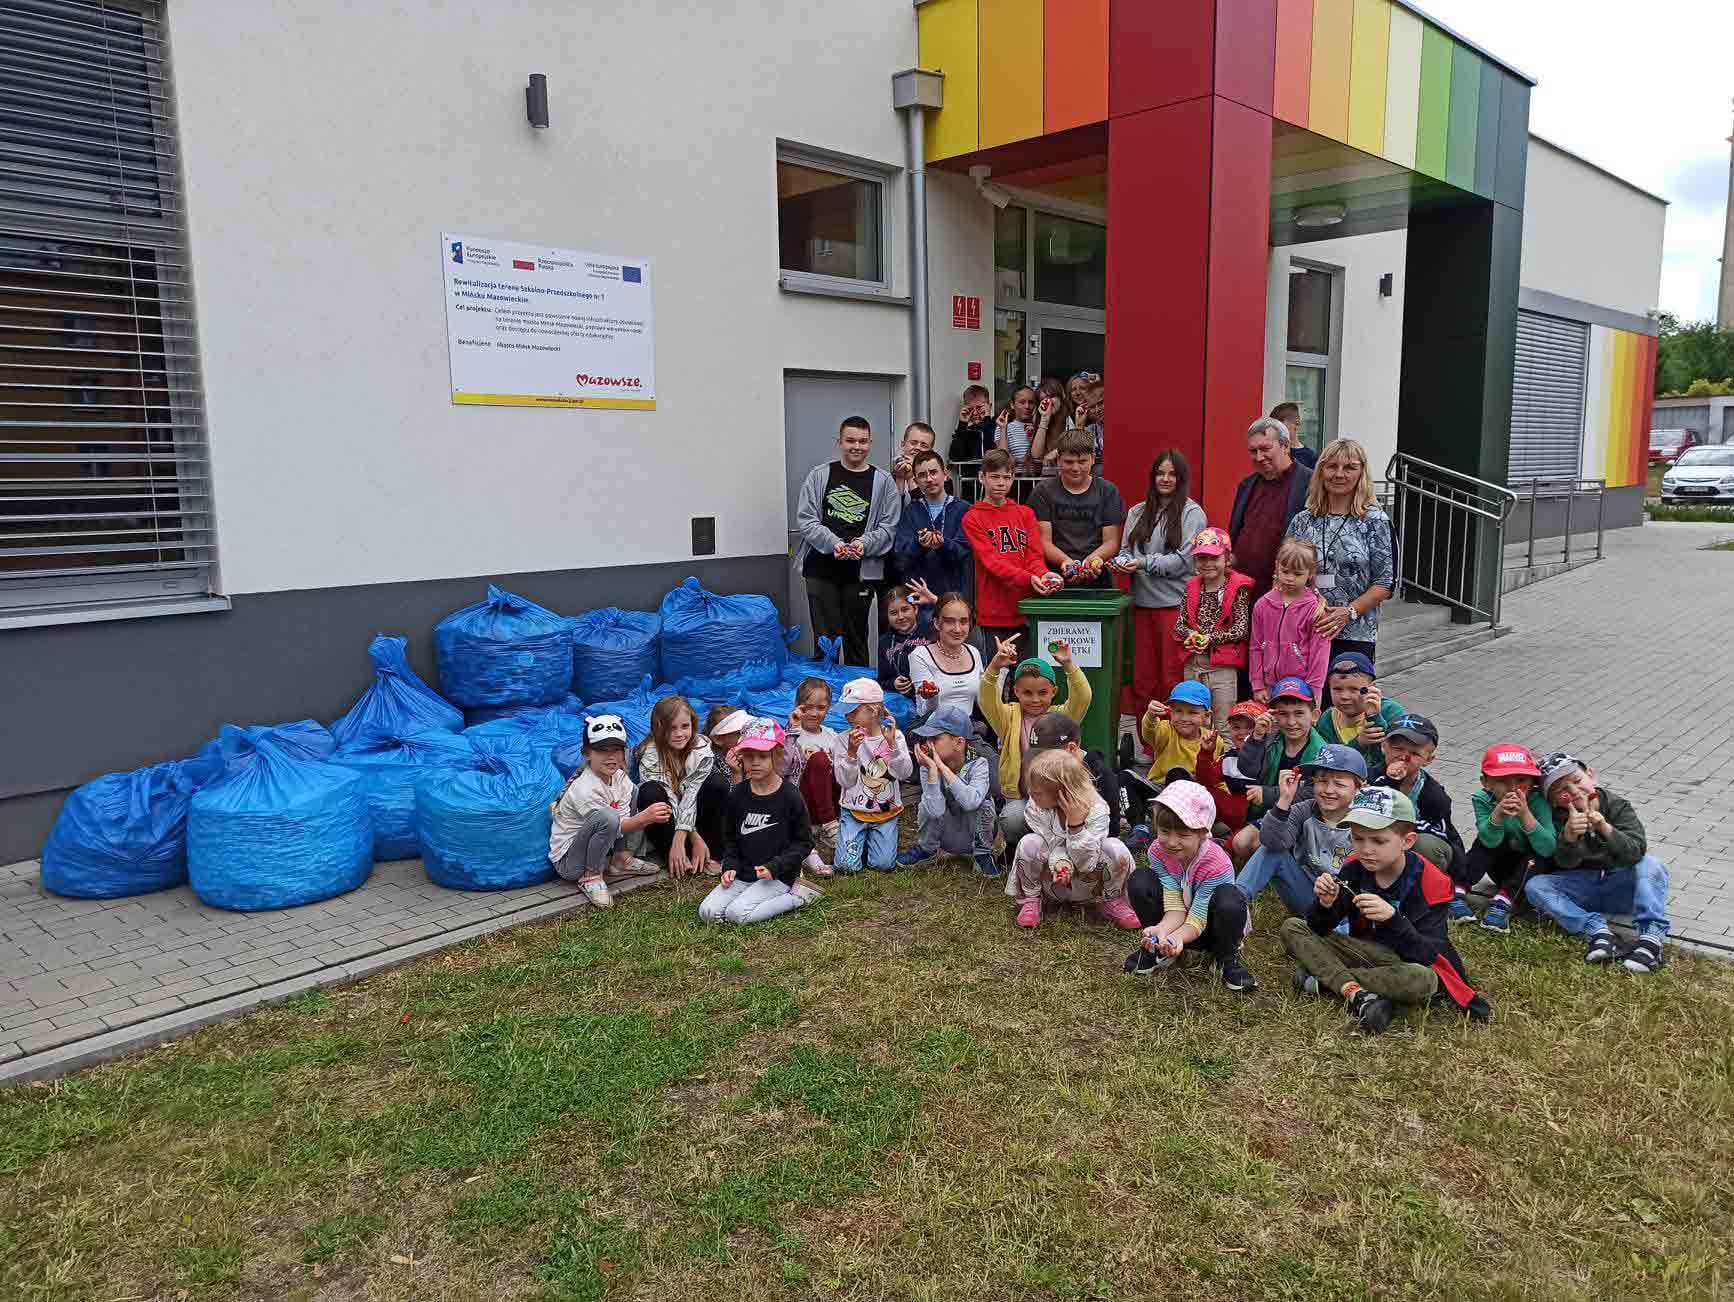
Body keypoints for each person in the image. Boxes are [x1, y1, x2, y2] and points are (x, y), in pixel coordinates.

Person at [1282, 787, 1491, 1033]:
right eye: (1358, 838)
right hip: (1361, 950)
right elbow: (1320, 928)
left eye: (1379, 840)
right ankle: (1358, 994)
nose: (1366, 849)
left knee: (1423, 980)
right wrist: (1325, 904)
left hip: (1402, 962)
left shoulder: (1431, 883)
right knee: (1293, 927)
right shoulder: (1353, 869)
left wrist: (1394, 919)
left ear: (1407, 841)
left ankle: (1326, 980)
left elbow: (1429, 952)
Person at [1526, 753, 1670, 973]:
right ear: (1552, 800)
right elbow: (1564, 864)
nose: (1574, 792)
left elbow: (1635, 852)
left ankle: (1651, 940)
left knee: (1651, 864)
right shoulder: (1556, 817)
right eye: (1563, 791)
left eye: (1577, 781)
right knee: (1536, 886)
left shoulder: (1617, 805)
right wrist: (1569, 838)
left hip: (1621, 887)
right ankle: (1598, 931)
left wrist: (1605, 828)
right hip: (1584, 889)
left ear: (1590, 775)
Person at [1124, 781, 1256, 993]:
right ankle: (1158, 947)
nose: (1171, 842)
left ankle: (1226, 957)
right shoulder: (1157, 851)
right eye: (1165, 831)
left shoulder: (1217, 863)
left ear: (1203, 833)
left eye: (1184, 835)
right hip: (1180, 922)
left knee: (1230, 898)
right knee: (1140, 879)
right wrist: (1163, 931)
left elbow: (1198, 917)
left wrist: (1178, 937)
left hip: (1212, 926)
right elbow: (1174, 904)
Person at [795, 416, 903, 667]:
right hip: (821, 570)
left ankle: (860, 698)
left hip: (860, 573)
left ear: (870, 443)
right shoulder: (819, 475)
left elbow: (889, 527)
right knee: (825, 640)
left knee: (856, 639)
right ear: (839, 443)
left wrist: (865, 543)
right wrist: (834, 543)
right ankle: (821, 700)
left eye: (863, 441)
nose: (857, 446)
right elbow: (807, 520)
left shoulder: (883, 481)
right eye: (851, 440)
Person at [1282, 438, 1395, 665]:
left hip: (1355, 634)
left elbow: (1386, 582)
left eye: (1349, 467)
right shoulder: (1302, 521)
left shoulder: (1375, 521)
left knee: (1346, 699)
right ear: (1321, 471)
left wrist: (1348, 613)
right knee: (1300, 700)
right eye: (1332, 466)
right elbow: (1283, 573)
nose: (1339, 474)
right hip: (1303, 631)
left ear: (1361, 473)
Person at [1111, 449, 1207, 715]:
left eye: (1172, 474)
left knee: (1172, 678)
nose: (1165, 479)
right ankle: (1147, 744)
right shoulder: (1136, 512)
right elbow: (1124, 552)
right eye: (1160, 473)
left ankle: (1173, 742)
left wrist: (1141, 563)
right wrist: (1120, 563)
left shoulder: (1192, 513)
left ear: (1181, 478)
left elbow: (1184, 561)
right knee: (1143, 680)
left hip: (1174, 608)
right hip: (1141, 606)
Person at [977, 636, 1091, 853]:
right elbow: (986, 699)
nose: (1035, 699)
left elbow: (1082, 698)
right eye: (1027, 693)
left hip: (1059, 797)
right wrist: (994, 667)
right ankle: (1016, 848)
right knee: (1012, 820)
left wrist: (1068, 664)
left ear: (1054, 692)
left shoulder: (1062, 718)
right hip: (1021, 797)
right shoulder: (1009, 718)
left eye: (1042, 693)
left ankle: (1062, 851)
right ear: (1016, 692)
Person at [698, 719, 817, 926]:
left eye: (762, 756)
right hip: (743, 873)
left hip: (778, 875)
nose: (755, 762)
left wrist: (776, 866)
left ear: (777, 755)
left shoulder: (790, 796)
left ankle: (799, 896)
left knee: (737, 914)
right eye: (749, 756)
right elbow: (730, 838)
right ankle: (746, 898)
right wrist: (730, 866)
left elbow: (804, 843)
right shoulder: (738, 795)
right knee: (707, 912)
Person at [1009, 747, 1140, 931]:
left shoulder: (1097, 809)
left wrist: (1076, 826)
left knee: (1115, 848)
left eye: (1037, 792)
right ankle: (1031, 899)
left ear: (1062, 792)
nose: (1031, 794)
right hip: (1053, 881)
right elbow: (1051, 842)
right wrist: (1061, 862)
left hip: (1091, 883)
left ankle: (1112, 900)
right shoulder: (1036, 807)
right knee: (1029, 843)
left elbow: (1087, 863)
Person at [549, 715, 669, 908]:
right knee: (608, 816)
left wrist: (639, 818)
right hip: (570, 862)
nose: (611, 757)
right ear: (587, 753)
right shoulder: (585, 788)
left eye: (617, 750)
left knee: (633, 792)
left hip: (596, 845)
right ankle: (591, 876)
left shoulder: (619, 777)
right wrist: (644, 818)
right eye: (602, 751)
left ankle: (621, 859)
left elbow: (621, 819)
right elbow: (614, 823)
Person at [1237, 743, 1365, 915]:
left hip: (1349, 905)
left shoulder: (1365, 822)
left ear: (1359, 788)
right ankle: (1234, 902)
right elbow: (1272, 842)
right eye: (1322, 781)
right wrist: (1284, 800)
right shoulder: (1305, 810)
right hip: (1308, 896)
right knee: (1272, 852)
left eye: (1339, 784)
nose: (1328, 790)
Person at [963, 448, 1064, 649]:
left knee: (1027, 675)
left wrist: (1044, 575)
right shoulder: (972, 518)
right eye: (994, 477)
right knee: (996, 676)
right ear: (981, 477)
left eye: (1007, 477)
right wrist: (1030, 579)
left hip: (1027, 608)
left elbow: (1034, 556)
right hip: (993, 613)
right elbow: (992, 562)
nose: (1001, 483)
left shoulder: (1025, 513)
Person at [1229, 676, 1326, 866]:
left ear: (1314, 715)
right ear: (1273, 715)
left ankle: (1286, 859)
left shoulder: (1322, 751)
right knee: (1240, 844)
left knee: (1260, 844)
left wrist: (1269, 794)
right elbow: (1247, 770)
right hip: (1269, 814)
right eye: (1283, 714)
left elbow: (1312, 793)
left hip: (1304, 819)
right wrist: (1256, 737)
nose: (1291, 722)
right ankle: (1278, 856)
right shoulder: (1271, 740)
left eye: (1299, 714)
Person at [1463, 743, 1557, 935]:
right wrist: (1497, 815)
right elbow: (1489, 841)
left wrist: (1525, 815)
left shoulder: (1538, 801)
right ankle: (1459, 887)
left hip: (1527, 873)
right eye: (1503, 781)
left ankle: (1503, 901)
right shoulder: (1482, 798)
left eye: (1522, 780)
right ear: (1486, 782)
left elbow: (1548, 849)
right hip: (1499, 865)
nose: (1513, 788)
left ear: (1532, 782)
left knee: (1538, 854)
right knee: (1483, 839)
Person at [895, 706, 998, 877]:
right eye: (927, 738)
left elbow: (971, 802)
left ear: (959, 743)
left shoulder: (979, 763)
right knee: (926, 804)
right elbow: (934, 812)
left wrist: (942, 768)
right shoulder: (928, 767)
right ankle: (927, 849)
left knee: (984, 804)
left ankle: (982, 853)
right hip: (946, 834)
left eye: (935, 738)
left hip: (972, 833)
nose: (928, 744)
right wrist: (933, 771)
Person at [1120, 680, 1226, 838]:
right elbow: (1149, 732)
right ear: (1170, 712)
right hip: (1159, 790)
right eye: (1178, 711)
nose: (1184, 717)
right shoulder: (1165, 729)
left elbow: (1215, 776)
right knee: (1124, 777)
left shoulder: (1213, 740)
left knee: (1178, 774)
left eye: (1192, 712)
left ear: (1206, 716)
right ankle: (1139, 828)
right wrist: (1150, 715)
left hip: (1190, 796)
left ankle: (1184, 826)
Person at [1367, 714, 1464, 879]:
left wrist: (1461, 883)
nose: (1404, 757)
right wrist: (1391, 782)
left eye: (1414, 753)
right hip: (1373, 844)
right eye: (1398, 749)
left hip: (1414, 847)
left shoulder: (1434, 795)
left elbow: (1445, 835)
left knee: (1426, 846)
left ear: (1429, 759)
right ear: (1384, 746)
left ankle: (1424, 888)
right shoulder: (1369, 778)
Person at [1172, 526, 1251, 727]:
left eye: (1214, 558)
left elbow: (1241, 629)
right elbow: (1179, 624)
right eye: (1202, 558)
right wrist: (1191, 635)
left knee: (1224, 722)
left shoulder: (1237, 589)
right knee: (1195, 722)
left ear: (1227, 559)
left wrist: (1210, 638)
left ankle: (1225, 759)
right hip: (1193, 663)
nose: (1207, 564)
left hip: (1222, 666)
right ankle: (1197, 758)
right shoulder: (1191, 587)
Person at [831, 678, 912, 872]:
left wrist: (893, 747)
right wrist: (851, 754)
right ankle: (857, 841)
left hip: (886, 813)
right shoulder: (843, 740)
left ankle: (867, 844)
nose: (847, 715)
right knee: (846, 867)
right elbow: (844, 781)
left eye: (853, 710)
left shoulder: (895, 737)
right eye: (846, 710)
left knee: (883, 865)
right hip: (854, 811)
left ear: (873, 710)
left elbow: (904, 773)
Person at [635, 695, 719, 880]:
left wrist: (694, 836)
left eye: (684, 726)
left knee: (716, 783)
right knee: (650, 792)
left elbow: (692, 793)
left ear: (693, 725)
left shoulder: (702, 748)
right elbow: (671, 799)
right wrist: (684, 838)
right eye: (671, 728)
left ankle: (710, 849)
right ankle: (673, 853)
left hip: (694, 813)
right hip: (671, 820)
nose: (679, 734)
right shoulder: (650, 754)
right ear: (659, 729)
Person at [1229, 417, 1313, 598]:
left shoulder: (1310, 485)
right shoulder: (1247, 485)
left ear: (1285, 446)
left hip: (1285, 592)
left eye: (1265, 449)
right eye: (1253, 451)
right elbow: (1235, 533)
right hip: (1243, 591)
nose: (1259, 457)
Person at [1029, 429, 1125, 587]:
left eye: (1082, 462)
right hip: (1053, 578)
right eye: (1069, 461)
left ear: (1093, 459)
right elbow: (1043, 541)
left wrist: (1092, 561)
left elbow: (1112, 542)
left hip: (1098, 579)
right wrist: (1066, 562)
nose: (1075, 468)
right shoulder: (1043, 492)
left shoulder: (1108, 491)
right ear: (1058, 460)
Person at [1249, 538, 1330, 703]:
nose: (1290, 578)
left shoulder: (1315, 609)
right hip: (1269, 686)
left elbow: (1320, 655)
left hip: (1302, 689)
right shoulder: (1262, 605)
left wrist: (1313, 692)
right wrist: (1258, 685)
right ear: (1277, 566)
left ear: (1311, 572)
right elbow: (1256, 647)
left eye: (1298, 574)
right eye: (1285, 571)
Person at [892, 449, 971, 596]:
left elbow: (965, 554)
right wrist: (919, 544)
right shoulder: (910, 511)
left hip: (952, 597)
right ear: (915, 481)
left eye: (933, 472)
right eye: (922, 475)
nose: (929, 479)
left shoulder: (964, 509)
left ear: (945, 474)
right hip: (916, 598)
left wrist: (943, 544)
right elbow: (900, 559)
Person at [783, 678, 840, 877]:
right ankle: (824, 829)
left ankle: (830, 827)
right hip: (803, 802)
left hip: (829, 801)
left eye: (821, 707)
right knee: (819, 761)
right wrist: (791, 731)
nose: (815, 713)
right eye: (808, 707)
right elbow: (782, 769)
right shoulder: (790, 735)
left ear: (829, 707)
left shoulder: (832, 735)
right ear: (798, 706)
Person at [905, 591, 983, 721]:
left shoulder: (973, 652)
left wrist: (999, 669)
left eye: (963, 622)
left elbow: (984, 702)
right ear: (936, 623)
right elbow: (925, 713)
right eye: (950, 622)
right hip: (932, 730)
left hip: (967, 729)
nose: (957, 629)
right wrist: (931, 697)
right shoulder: (920, 655)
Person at [1314, 652, 1405, 762]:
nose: (1344, 696)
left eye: (1354, 689)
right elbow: (1326, 761)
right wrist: (1358, 743)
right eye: (1337, 689)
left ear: (1372, 687)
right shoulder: (1328, 719)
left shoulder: (1392, 712)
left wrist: (1374, 717)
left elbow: (1396, 758)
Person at [875, 583, 932, 700]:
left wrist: (934, 600)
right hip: (903, 704)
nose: (900, 617)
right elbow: (882, 680)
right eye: (893, 613)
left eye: (905, 609)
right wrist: (893, 684)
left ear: (915, 609)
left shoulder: (932, 633)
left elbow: (957, 615)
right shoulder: (884, 642)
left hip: (932, 698)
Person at [994, 385, 1040, 472]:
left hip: (1037, 478)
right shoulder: (1003, 426)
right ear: (1012, 404)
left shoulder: (1040, 427)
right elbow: (1003, 458)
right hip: (1014, 480)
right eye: (1022, 402)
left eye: (1031, 402)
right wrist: (1003, 428)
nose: (1027, 406)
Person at [949, 384, 995, 465]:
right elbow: (955, 456)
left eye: (979, 408)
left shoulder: (998, 427)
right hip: (970, 475)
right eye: (970, 409)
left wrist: (987, 418)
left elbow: (992, 450)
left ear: (989, 407)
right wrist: (962, 423)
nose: (974, 413)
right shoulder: (965, 431)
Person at [889, 421, 936, 498]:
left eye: (924, 445)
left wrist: (912, 475)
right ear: (903, 445)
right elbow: (893, 507)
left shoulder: (938, 479)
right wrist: (899, 478)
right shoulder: (890, 475)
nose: (917, 448)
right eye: (913, 443)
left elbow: (925, 508)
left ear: (931, 451)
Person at [1269, 401, 1316, 469]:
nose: (1275, 430)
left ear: (1297, 424)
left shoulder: (1310, 456)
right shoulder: (1272, 450)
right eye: (1273, 426)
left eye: (1281, 426)